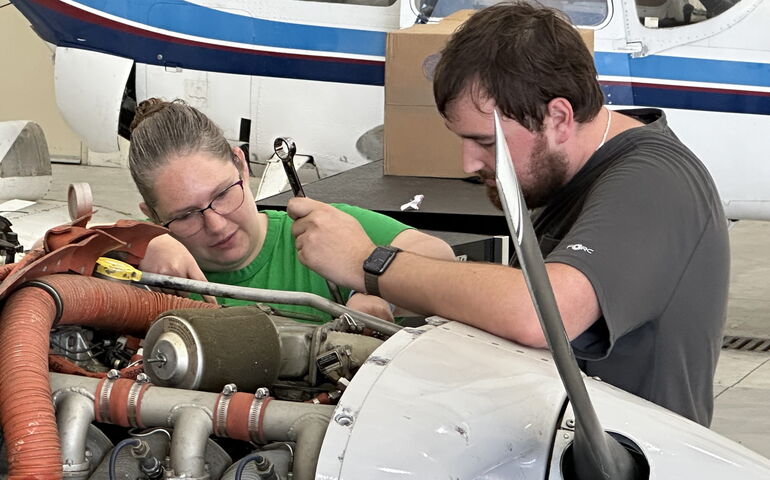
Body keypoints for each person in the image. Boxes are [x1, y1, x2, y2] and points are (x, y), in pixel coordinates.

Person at [286, 1, 729, 426]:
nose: (468, 163)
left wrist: (371, 264)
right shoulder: (577, 178)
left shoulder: (655, 183)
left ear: (558, 117)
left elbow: (539, 314)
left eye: (486, 142)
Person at [129, 98, 455, 322]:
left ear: (240, 166)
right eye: (186, 215)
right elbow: (84, 243)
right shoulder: (152, 256)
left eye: (223, 194)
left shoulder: (321, 230)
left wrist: (378, 285)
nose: (215, 224)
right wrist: (147, 242)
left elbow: (439, 256)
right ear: (155, 215)